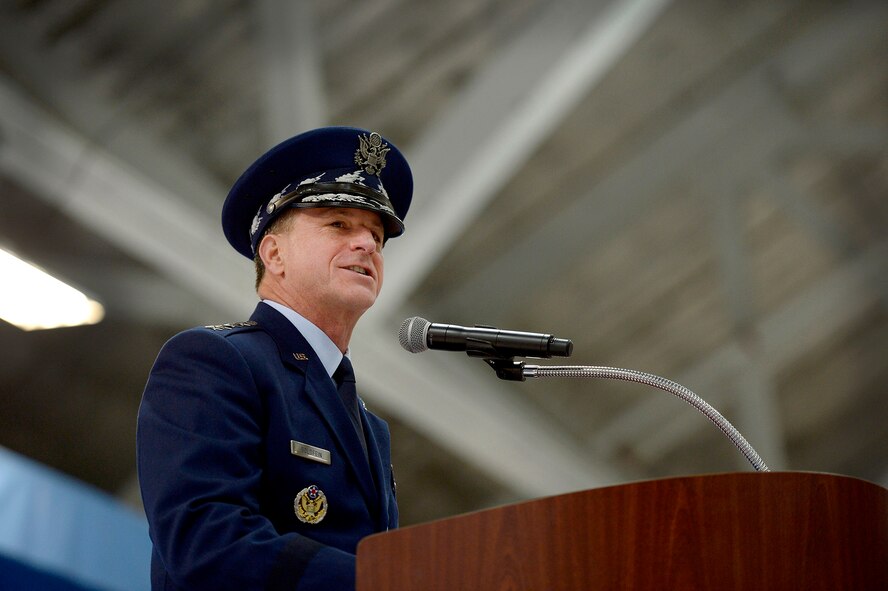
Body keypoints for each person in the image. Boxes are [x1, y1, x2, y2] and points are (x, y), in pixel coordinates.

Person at [137, 126, 412, 590]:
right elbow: (206, 543)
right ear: (274, 253)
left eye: (377, 236)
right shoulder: (214, 360)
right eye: (339, 224)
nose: (367, 244)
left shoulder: (370, 426)